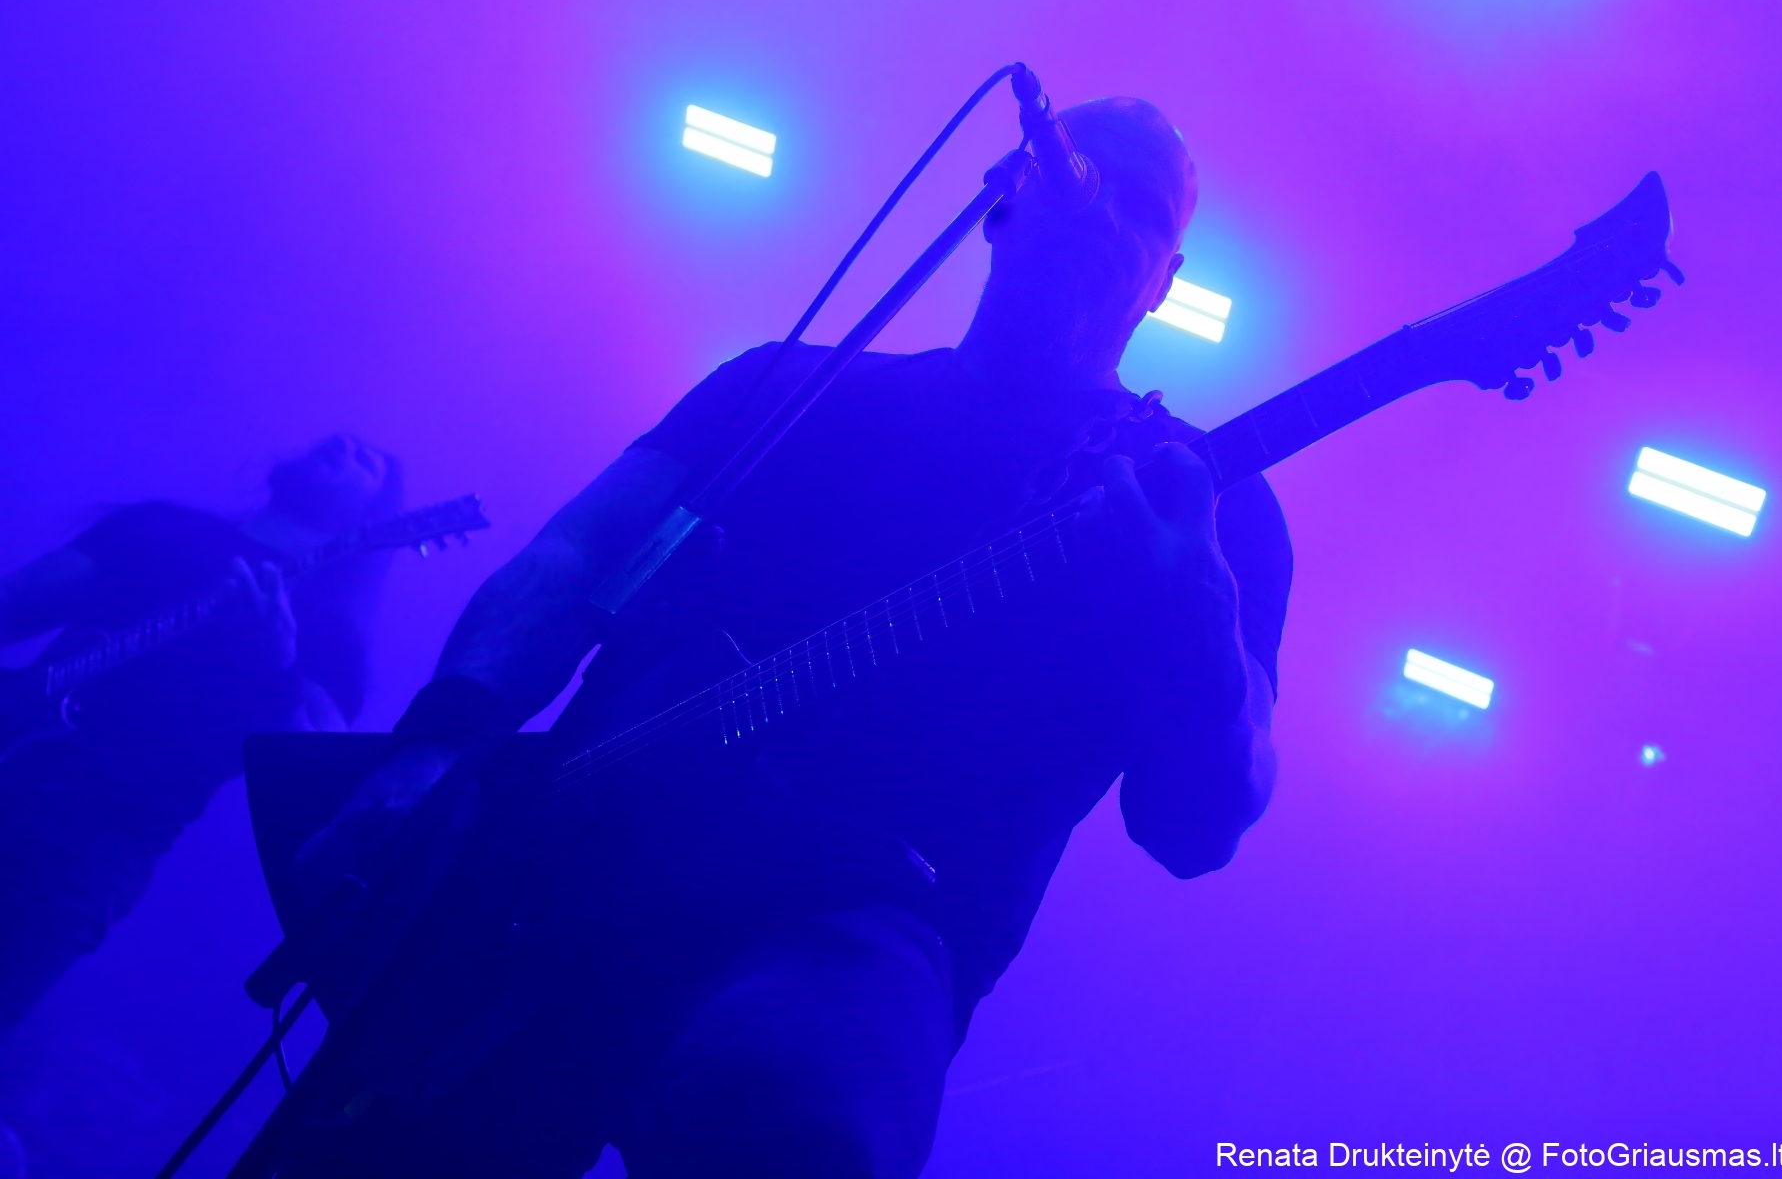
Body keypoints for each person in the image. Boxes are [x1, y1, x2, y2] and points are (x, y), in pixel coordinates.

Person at [286, 98, 1291, 1178]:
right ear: (1005, 193)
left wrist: (1196, 611)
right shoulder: (790, 384)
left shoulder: (1205, 500)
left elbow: (1198, 827)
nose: (1103, 215)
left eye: (1141, 207)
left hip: (862, 914)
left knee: (795, 1124)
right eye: (1081, 174)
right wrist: (435, 745)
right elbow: (574, 554)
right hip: (572, 836)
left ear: (1167, 281)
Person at [0, 434, 402, 1035]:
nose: (344, 445)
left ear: (374, 519)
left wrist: (276, 665)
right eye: (341, 439)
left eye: (366, 461)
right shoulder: (163, 528)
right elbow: (15, 603)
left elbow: (312, 757)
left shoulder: (330, 628)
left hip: (96, 845)